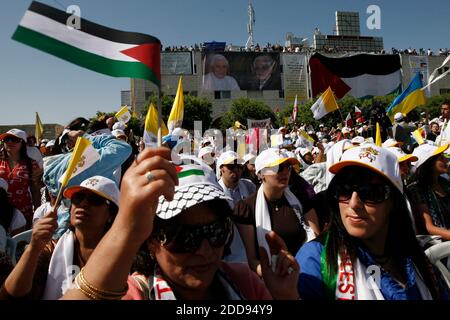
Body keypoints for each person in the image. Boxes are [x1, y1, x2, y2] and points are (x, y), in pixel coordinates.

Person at [61, 149, 300, 300]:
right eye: (184, 237)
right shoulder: (134, 294)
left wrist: (285, 296)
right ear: (151, 240)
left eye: (215, 231)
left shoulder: (243, 282)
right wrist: (125, 230)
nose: (205, 250)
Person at [296, 145, 448, 300]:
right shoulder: (316, 260)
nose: (354, 203)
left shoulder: (418, 261)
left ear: (393, 202)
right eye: (345, 189)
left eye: (370, 193)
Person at [0, 176, 119, 300]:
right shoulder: (51, 249)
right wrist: (33, 248)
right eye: (78, 198)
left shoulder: (124, 256)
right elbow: (9, 296)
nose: (83, 203)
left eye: (95, 200)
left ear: (111, 215)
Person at [233, 148, 317, 276]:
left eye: (287, 167)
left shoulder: (299, 198)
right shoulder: (246, 208)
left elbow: (315, 237)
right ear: (261, 174)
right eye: (278, 167)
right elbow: (252, 261)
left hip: (306, 273)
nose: (285, 172)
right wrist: (276, 275)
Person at [0, 129, 42, 228]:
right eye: (6, 139)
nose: (9, 142)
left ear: (23, 143)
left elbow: (35, 190)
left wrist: (37, 213)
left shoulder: (32, 164)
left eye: (14, 139)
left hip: (23, 210)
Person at [408, 144, 450, 240]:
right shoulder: (416, 189)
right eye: (440, 157)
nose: (446, 160)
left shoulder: (445, 183)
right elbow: (429, 227)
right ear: (428, 163)